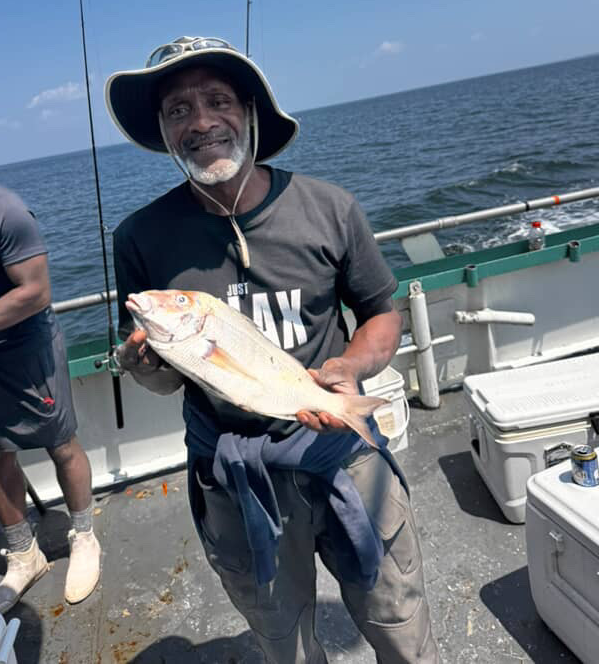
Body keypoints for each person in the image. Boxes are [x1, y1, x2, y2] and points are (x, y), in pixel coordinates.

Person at [106, 36, 439, 663]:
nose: (200, 122)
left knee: (396, 612)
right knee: (280, 636)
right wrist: (144, 368)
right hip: (236, 472)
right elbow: (167, 378)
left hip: (341, 447)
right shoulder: (139, 238)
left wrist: (347, 370)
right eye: (178, 110)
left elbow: (380, 316)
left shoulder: (330, 207)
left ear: (253, 111)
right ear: (162, 131)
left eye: (218, 100)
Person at [0, 177, 101, 613]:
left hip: (26, 354)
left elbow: (36, 292)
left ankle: (84, 536)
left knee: (60, 445)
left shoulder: (1, 211)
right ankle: (25, 554)